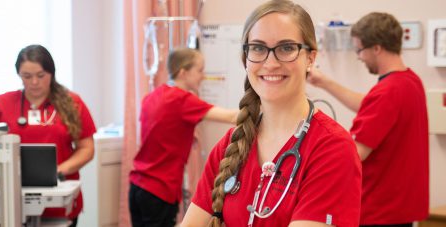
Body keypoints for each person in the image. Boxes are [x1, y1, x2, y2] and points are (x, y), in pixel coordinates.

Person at [181, 1, 362, 226]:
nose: (271, 62)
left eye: (286, 48)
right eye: (258, 48)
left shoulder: (332, 148)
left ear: (310, 58)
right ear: (246, 59)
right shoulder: (230, 146)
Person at [307, 12, 429, 227]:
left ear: (376, 48)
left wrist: (313, 138)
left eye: (359, 50)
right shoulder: (410, 82)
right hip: (402, 209)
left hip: (379, 211)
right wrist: (324, 82)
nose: (359, 57)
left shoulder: (386, 93)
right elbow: (372, 106)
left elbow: (354, 154)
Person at [0, 44, 96, 227]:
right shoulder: (2, 104)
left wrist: (57, 172)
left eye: (41, 76)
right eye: (27, 76)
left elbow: (87, 148)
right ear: (19, 75)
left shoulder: (73, 103)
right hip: (10, 202)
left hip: (59, 200)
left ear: (51, 73)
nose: (34, 82)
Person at [128, 48, 239, 227]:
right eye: (200, 70)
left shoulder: (152, 96)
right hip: (159, 190)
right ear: (183, 72)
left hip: (138, 187)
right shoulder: (182, 100)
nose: (202, 76)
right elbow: (232, 117)